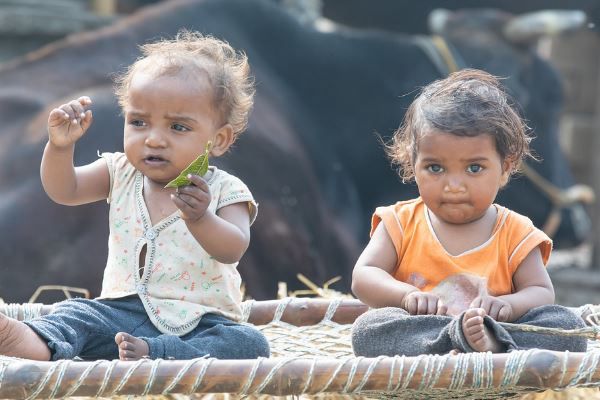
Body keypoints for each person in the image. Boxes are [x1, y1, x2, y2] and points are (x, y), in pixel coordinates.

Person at [0, 31, 270, 361]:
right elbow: (64, 190)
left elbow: (233, 248)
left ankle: (158, 353)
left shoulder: (226, 190)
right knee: (75, 315)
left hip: (200, 321)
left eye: (178, 127)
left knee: (248, 343)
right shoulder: (119, 171)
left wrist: (202, 218)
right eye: (139, 122)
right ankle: (28, 340)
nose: (154, 140)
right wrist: (60, 147)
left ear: (218, 140)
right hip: (118, 316)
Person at [351, 69, 587, 357]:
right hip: (424, 333)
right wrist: (407, 296)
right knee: (368, 328)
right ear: (412, 164)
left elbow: (541, 290)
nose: (453, 186)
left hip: (494, 328)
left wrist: (509, 305)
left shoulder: (516, 231)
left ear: (506, 168)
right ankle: (452, 342)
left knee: (566, 325)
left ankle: (493, 342)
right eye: (435, 168)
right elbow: (364, 276)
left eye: (474, 168)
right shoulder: (399, 222)